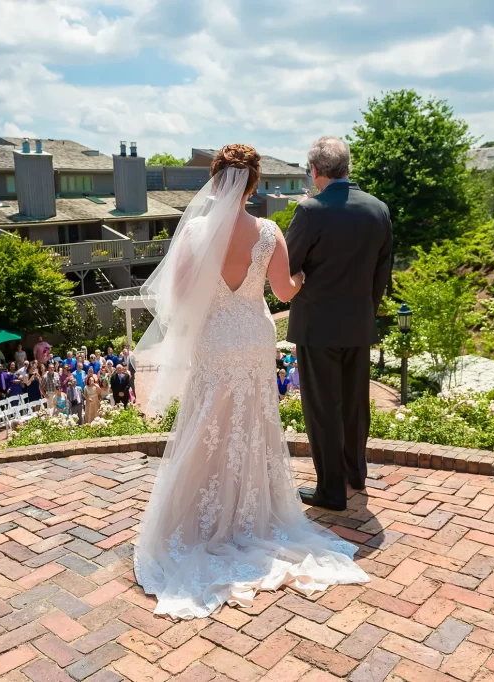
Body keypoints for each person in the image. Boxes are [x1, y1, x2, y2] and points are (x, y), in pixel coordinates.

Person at [132, 145, 368, 619]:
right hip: (254, 338)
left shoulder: (196, 232)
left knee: (207, 424)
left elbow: (177, 298)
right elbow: (284, 291)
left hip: (215, 340)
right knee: (254, 426)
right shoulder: (268, 231)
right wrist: (302, 275)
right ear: (255, 184)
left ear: (216, 181)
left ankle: (201, 516)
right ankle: (250, 513)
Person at [286, 136, 393, 511]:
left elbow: (289, 266)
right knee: (354, 405)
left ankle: (330, 491)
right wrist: (366, 309)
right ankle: (355, 474)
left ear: (314, 170)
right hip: (358, 324)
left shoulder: (310, 211)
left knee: (322, 409)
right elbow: (383, 271)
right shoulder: (378, 209)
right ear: (347, 166)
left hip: (317, 327)